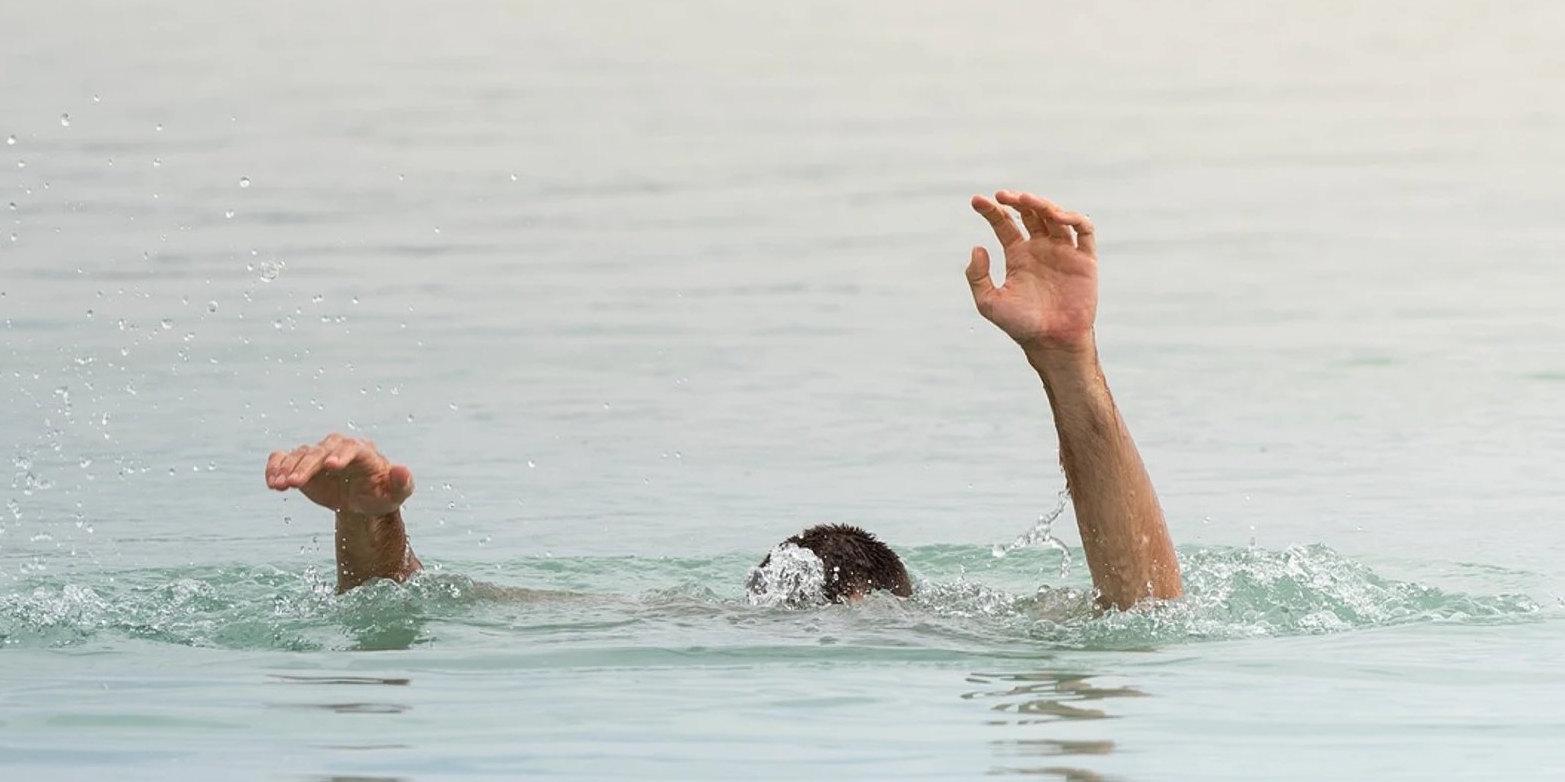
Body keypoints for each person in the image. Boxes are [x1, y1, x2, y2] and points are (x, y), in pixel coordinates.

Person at [264, 191, 1182, 610]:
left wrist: (370, 528)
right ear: (893, 606)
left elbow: (411, 606)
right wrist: (1072, 370)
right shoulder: (950, 637)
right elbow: (1145, 609)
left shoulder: (669, 619)